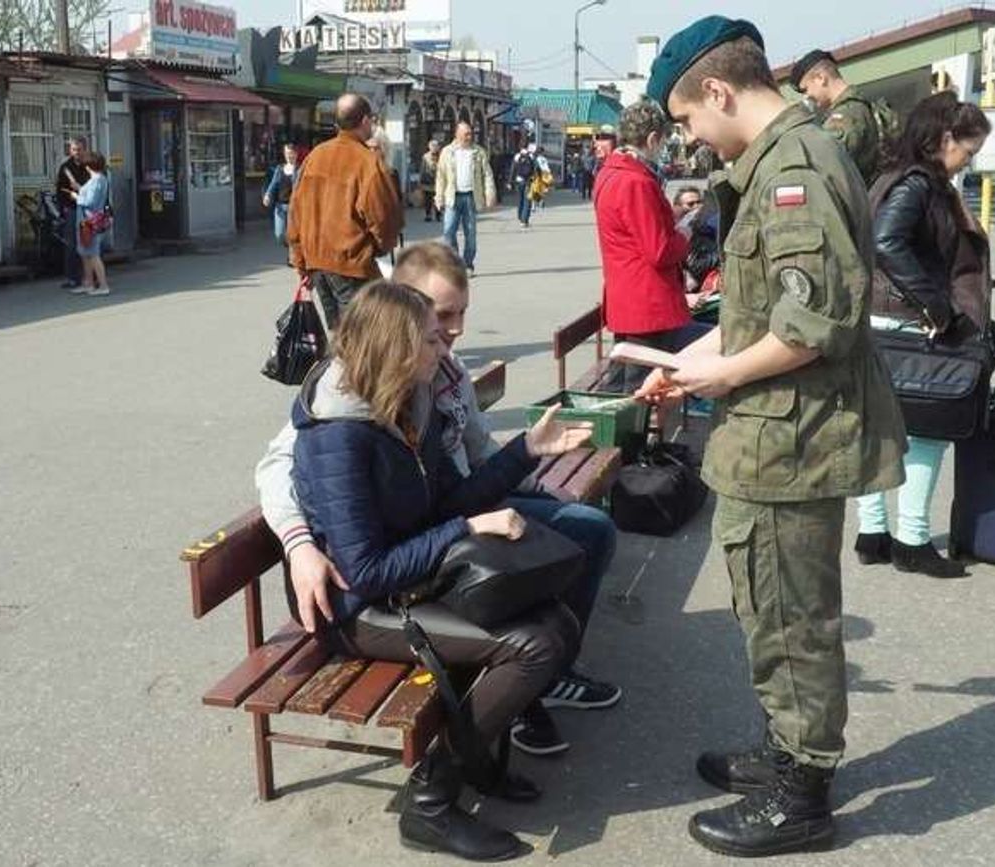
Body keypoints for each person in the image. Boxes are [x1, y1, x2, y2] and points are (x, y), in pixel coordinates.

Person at [639, 16, 907, 856]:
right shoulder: (781, 160)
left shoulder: (792, 167)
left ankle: (802, 791)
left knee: (791, 617)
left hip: (792, 441)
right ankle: (784, 749)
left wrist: (719, 376)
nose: (690, 138)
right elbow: (762, 308)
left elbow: (812, 320)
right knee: (770, 606)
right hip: (776, 433)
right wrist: (692, 360)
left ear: (718, 91)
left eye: (687, 120)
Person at [256, 240, 622, 759]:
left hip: (426, 532)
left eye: (459, 314)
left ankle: (526, 697)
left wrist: (528, 454)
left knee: (575, 543)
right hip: (376, 581)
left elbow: (464, 465)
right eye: (440, 321)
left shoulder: (423, 384)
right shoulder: (342, 410)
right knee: (541, 625)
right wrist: (299, 545)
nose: (454, 334)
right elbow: (281, 469)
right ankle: (447, 777)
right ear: (399, 317)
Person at [285, 281, 593, 860]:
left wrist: (526, 449)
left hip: (411, 585)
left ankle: (475, 763)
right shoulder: (339, 437)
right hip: (355, 612)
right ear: (395, 348)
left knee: (554, 621)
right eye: (431, 339)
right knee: (534, 644)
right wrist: (468, 530)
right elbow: (365, 571)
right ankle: (429, 803)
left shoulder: (406, 406)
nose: (445, 349)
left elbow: (449, 501)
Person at [853, 92, 992, 579]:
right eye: (967, 152)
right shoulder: (919, 184)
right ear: (945, 139)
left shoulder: (894, 174)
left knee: (876, 430)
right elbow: (886, 242)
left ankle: (872, 534)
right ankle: (912, 539)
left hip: (882, 320)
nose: (965, 164)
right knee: (929, 430)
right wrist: (936, 305)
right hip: (907, 324)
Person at [593, 99, 712, 392]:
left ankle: (616, 436)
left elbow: (631, 227)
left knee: (623, 384)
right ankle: (629, 438)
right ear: (652, 139)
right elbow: (659, 251)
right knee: (641, 389)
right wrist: (685, 230)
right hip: (647, 303)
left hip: (628, 298)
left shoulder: (613, 173)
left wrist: (669, 217)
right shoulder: (636, 182)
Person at [286, 93, 403, 330]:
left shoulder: (315, 156)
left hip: (318, 262)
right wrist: (382, 246)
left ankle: (342, 365)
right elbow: (383, 217)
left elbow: (295, 212)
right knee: (363, 332)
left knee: (339, 332)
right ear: (365, 121)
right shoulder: (367, 163)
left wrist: (300, 261)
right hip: (351, 263)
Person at [790, 49, 881, 187]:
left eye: (806, 89)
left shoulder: (845, 116)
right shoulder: (859, 107)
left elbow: (823, 165)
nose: (807, 96)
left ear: (820, 78)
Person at [434, 122, 496, 275]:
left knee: (470, 232)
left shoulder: (478, 152)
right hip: (452, 196)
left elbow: (487, 174)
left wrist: (490, 193)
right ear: (457, 134)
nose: (469, 136)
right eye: (466, 133)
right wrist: (439, 196)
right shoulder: (447, 152)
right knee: (448, 231)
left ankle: (468, 263)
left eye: (470, 133)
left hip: (470, 196)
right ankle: (455, 263)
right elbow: (441, 176)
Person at [68, 151, 111, 297]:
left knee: (92, 254)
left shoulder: (97, 180)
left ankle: (103, 285)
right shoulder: (100, 179)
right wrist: (80, 189)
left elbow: (89, 201)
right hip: (89, 221)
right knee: (86, 253)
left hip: (90, 221)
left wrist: (76, 197)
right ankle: (89, 283)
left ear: (88, 166)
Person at [56, 137, 91, 291]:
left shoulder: (90, 165)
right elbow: (60, 189)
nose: (77, 152)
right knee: (72, 245)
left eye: (79, 149)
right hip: (72, 208)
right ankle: (72, 278)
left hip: (88, 208)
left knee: (89, 243)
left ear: (85, 149)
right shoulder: (65, 167)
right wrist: (64, 206)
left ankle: (90, 277)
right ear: (70, 150)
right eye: (74, 149)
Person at [262, 143, 300, 247]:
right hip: (280, 206)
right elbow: (273, 184)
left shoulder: (300, 170)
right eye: (287, 153)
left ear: (296, 154)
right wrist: (267, 195)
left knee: (294, 234)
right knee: (279, 235)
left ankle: (292, 254)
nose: (289, 156)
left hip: (294, 207)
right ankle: (290, 249)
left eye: (291, 153)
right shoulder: (279, 169)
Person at [511, 145, 537, 228]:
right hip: (528, 181)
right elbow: (535, 169)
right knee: (527, 200)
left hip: (519, 181)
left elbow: (513, 169)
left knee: (520, 199)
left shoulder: (517, 156)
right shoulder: (531, 156)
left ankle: (520, 216)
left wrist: (510, 181)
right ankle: (524, 220)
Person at [420, 139, 442, 222]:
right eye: (432, 146)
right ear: (429, 147)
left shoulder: (441, 156)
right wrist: (421, 180)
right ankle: (428, 214)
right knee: (428, 199)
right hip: (428, 181)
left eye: (435, 146)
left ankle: (438, 214)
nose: (434, 148)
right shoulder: (425, 156)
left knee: (438, 199)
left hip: (438, 181)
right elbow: (422, 168)